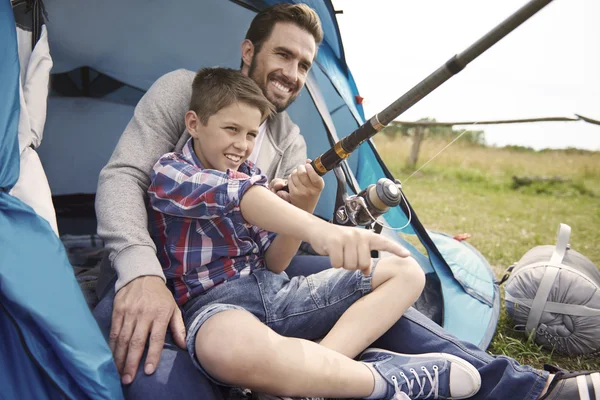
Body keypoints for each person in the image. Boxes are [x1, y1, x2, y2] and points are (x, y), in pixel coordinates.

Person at [93, 3, 600, 400]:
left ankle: (528, 389)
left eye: (305, 65)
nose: (293, 72)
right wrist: (141, 273)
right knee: (155, 367)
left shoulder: (288, 139)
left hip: (249, 277)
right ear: (249, 51)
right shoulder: (184, 91)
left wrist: (301, 216)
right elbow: (125, 178)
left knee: (388, 276)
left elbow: (273, 259)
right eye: (283, 55)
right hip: (158, 261)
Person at [144, 66, 483, 399]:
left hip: (276, 294)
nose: (242, 145)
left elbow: (275, 263)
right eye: (231, 129)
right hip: (215, 308)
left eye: (250, 134)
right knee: (223, 348)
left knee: (406, 271)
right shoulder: (172, 171)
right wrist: (322, 231)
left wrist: (299, 207)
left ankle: (317, 381)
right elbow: (240, 195)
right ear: (194, 124)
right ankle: (381, 380)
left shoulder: (251, 174)